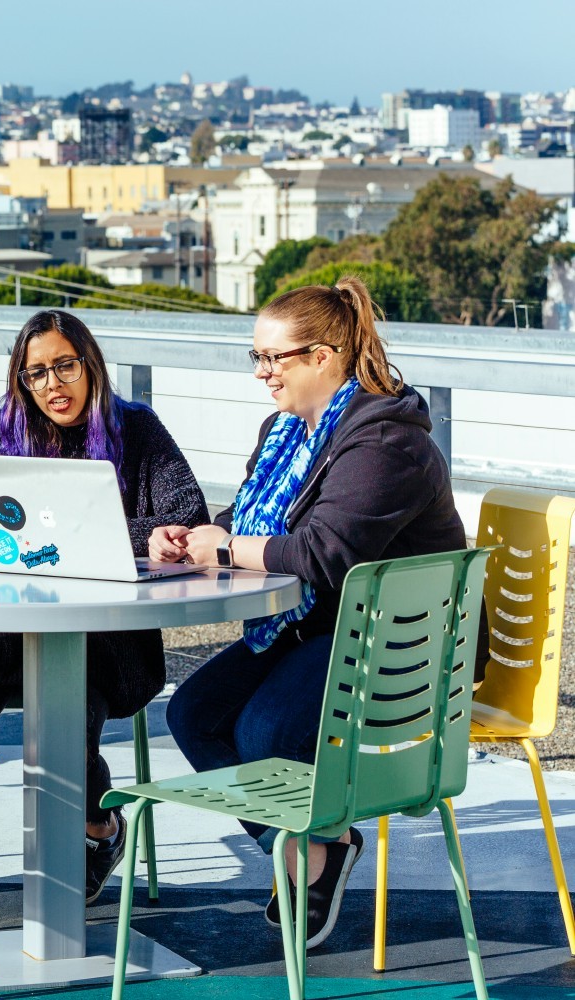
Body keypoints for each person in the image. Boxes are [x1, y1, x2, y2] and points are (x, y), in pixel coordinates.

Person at [152, 276, 467, 951]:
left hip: (400, 642)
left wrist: (230, 546)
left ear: (324, 356)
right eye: (257, 358)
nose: (263, 374)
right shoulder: (286, 433)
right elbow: (255, 520)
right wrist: (194, 538)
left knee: (266, 729)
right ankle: (319, 843)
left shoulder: (386, 441)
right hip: (319, 624)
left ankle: (309, 856)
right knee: (193, 714)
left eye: (275, 358)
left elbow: (327, 552)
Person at [0, 309, 209, 901]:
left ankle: (102, 832)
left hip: (97, 639)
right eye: (35, 373)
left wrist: (129, 534)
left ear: (90, 364)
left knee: (66, 755)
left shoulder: (137, 430)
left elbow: (187, 516)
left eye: (64, 366)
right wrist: (4, 540)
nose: (52, 386)